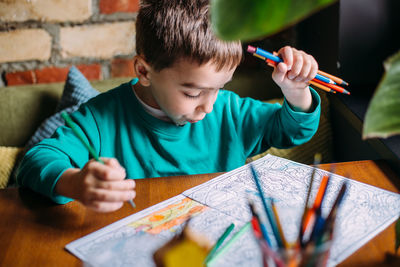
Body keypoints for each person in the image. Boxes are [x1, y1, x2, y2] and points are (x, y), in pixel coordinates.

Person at [17, 0, 321, 212]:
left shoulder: (230, 113)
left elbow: (291, 132)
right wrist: (75, 183)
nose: (209, 107)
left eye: (220, 88)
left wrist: (295, 92)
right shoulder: (101, 118)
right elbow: (36, 161)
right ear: (144, 72)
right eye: (193, 93)